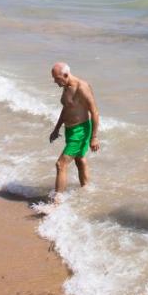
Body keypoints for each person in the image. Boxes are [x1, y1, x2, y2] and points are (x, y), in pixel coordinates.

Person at [48, 63, 100, 196]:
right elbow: (66, 107)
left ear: (65, 75)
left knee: (61, 164)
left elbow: (94, 112)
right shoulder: (66, 86)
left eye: (57, 78)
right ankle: (86, 191)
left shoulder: (82, 87)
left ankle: (56, 202)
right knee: (80, 160)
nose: (55, 81)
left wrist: (94, 137)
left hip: (80, 131)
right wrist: (57, 128)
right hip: (70, 130)